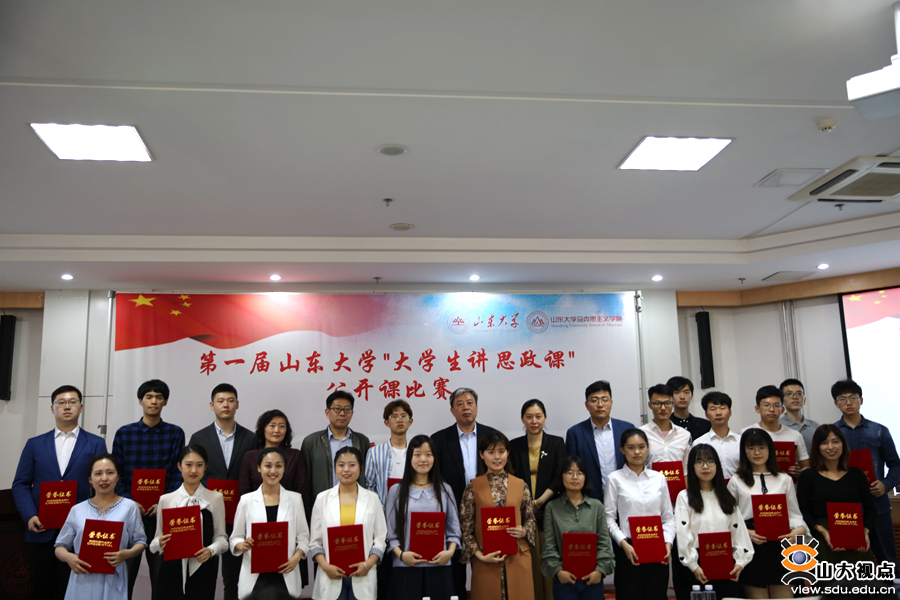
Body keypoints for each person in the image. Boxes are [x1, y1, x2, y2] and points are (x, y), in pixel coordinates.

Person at [12, 385, 107, 600]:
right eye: (61, 402)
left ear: (80, 407)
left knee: (74, 590)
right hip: (41, 528)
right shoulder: (34, 444)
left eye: (72, 402)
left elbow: (103, 485)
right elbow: (20, 484)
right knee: (40, 590)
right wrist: (29, 515)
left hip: (79, 529)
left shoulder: (96, 443)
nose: (67, 406)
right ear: (52, 408)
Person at [112, 379, 185, 600]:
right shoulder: (124, 433)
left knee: (162, 579)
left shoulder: (175, 433)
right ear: (140, 401)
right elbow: (117, 473)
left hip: (161, 515)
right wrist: (129, 500)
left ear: (165, 402)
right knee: (123, 577)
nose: (154, 401)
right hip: (129, 514)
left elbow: (177, 473)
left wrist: (162, 502)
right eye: (149, 397)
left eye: (159, 397)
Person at [189, 383, 257, 600]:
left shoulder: (250, 438)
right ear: (212, 405)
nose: (225, 405)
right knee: (204, 571)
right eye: (220, 401)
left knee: (233, 575)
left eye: (230, 400)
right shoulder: (199, 438)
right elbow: (192, 475)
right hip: (207, 512)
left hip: (238, 514)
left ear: (237, 404)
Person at [430, 386, 499, 598]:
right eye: (459, 404)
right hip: (452, 512)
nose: (465, 407)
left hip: (487, 511)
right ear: (452, 411)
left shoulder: (492, 436)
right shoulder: (439, 439)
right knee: (455, 571)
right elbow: (434, 478)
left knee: (488, 567)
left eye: (469, 403)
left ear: (477, 407)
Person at [796, 424, 879, 593]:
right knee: (829, 591)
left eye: (835, 441)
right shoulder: (808, 476)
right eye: (824, 442)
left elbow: (871, 509)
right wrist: (823, 531)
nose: (830, 447)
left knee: (862, 592)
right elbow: (802, 510)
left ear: (843, 444)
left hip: (856, 540)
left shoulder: (857, 475)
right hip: (823, 541)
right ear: (817, 447)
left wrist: (865, 531)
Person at [53, 453, 146, 600]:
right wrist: (69, 558)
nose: (104, 478)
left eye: (110, 472)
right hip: (82, 579)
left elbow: (140, 542)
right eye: (98, 473)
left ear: (118, 476)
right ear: (90, 479)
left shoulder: (129, 507)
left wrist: (126, 554)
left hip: (114, 579)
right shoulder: (77, 510)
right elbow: (60, 546)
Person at [726, 429, 805, 599]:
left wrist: (798, 531)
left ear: (770, 450)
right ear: (744, 451)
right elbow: (728, 519)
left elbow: (794, 514)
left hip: (781, 545)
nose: (757, 453)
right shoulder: (736, 481)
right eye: (751, 448)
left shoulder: (784, 479)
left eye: (761, 447)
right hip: (751, 546)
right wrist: (746, 533)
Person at [460, 431, 536, 600]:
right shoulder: (472, 488)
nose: (497, 457)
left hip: (518, 558)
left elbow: (530, 519)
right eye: (491, 452)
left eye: (501, 451)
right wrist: (479, 555)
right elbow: (465, 529)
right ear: (481, 454)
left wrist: (524, 531)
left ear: (508, 453)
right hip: (485, 561)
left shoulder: (521, 485)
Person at [832, 379, 900, 570]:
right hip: (845, 506)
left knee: (887, 559)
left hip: (877, 505)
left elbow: (896, 465)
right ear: (836, 404)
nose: (848, 402)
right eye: (842, 399)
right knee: (849, 562)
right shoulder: (832, 434)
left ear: (861, 400)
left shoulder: (879, 431)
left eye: (853, 397)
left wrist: (886, 484)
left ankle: (891, 588)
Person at [384, 434, 461, 600]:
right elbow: (390, 532)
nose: (423, 459)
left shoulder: (445, 489)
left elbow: (454, 529)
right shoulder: (396, 491)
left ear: (434, 458)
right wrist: (402, 555)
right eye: (417, 454)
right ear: (409, 458)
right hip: (405, 566)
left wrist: (449, 552)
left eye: (428, 454)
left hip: (439, 565)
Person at [675, 444, 753, 600]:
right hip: (696, 566)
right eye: (699, 462)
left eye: (710, 461)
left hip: (726, 564)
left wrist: (740, 562)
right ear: (691, 466)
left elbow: (739, 533)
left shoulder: (727, 497)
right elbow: (683, 534)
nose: (705, 466)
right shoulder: (684, 497)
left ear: (717, 465)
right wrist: (694, 566)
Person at [149, 445, 228, 599]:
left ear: (205, 467)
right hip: (171, 570)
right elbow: (154, 544)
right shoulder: (166, 500)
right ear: (179, 466)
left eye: (199, 465)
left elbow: (222, 539)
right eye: (188, 465)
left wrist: (210, 550)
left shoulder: (216, 498)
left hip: (203, 569)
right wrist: (160, 542)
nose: (193, 470)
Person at [604, 429, 674, 600]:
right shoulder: (614, 478)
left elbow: (668, 517)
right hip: (628, 548)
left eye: (641, 447)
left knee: (656, 595)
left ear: (648, 448)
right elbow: (609, 518)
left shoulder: (659, 478)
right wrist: (624, 544)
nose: (637, 452)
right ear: (622, 450)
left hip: (657, 547)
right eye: (631, 447)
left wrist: (668, 543)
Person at [308, 446, 386, 600]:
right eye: (341, 465)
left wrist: (368, 565)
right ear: (335, 467)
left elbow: (380, 538)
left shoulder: (372, 498)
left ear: (360, 468)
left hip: (363, 573)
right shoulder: (322, 498)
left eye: (352, 465)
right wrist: (325, 567)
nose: (346, 469)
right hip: (331, 574)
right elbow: (315, 541)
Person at [231, 447, 310, 598]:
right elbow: (235, 537)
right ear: (259, 468)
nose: (273, 471)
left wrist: (296, 558)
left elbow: (304, 537)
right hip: (255, 576)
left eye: (278, 466)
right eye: (268, 465)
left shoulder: (295, 499)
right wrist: (242, 545)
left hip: (285, 572)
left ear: (284, 469)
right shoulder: (247, 500)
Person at [509, 399, 566, 600]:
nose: (534, 421)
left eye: (538, 416)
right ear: (522, 419)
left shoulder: (556, 443)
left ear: (545, 418)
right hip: (523, 514)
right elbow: (512, 478)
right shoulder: (514, 445)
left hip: (549, 510)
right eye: (529, 417)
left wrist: (540, 501)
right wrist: (527, 505)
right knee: (527, 565)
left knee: (550, 562)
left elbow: (559, 477)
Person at [542, 456, 615, 600]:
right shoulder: (552, 507)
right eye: (569, 472)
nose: (575, 477)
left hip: (593, 579)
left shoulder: (596, 506)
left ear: (585, 477)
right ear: (561, 476)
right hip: (564, 581)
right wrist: (558, 571)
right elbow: (549, 546)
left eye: (580, 473)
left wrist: (599, 571)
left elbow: (604, 544)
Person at [366, 399, 414, 600]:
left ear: (411, 421)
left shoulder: (418, 452)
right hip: (383, 522)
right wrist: (380, 508)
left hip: (413, 521)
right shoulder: (374, 452)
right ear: (387, 422)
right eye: (394, 416)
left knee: (410, 573)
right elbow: (369, 487)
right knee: (385, 574)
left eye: (403, 416)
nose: (399, 420)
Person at [301, 391, 371, 515]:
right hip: (323, 508)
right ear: (327, 412)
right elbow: (305, 482)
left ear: (352, 413)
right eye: (337, 409)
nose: (342, 413)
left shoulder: (361, 441)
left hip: (357, 506)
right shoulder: (311, 442)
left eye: (347, 409)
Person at [565, 380, 635, 499]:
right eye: (594, 400)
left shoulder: (627, 429)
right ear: (587, 405)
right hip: (589, 499)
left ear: (611, 403)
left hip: (625, 495)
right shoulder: (575, 433)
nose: (600, 404)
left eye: (604, 400)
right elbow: (571, 469)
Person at [741, 385, 809, 478]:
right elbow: (740, 463)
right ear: (757, 409)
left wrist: (800, 472)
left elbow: (806, 467)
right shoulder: (745, 433)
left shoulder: (795, 435)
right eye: (766, 405)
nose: (771, 409)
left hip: (786, 484)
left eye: (776, 405)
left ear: (782, 410)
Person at [239, 410, 306, 496]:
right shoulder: (250, 457)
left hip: (289, 503)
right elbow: (244, 491)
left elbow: (301, 489)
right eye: (272, 426)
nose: (277, 430)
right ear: (263, 429)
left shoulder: (295, 456)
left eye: (281, 426)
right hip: (255, 504)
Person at [640, 384, 691, 470]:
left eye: (667, 403)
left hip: (677, 479)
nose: (663, 408)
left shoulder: (684, 435)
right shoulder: (641, 434)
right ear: (650, 405)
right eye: (657, 403)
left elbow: (686, 469)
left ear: (673, 404)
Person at [692, 392, 740, 480]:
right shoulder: (699, 443)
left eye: (722, 408)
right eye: (713, 409)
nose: (718, 413)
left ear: (730, 412)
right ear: (706, 414)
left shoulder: (741, 441)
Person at [778, 378, 820, 455]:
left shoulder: (816, 427)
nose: (795, 397)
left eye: (799, 393)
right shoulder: (776, 426)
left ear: (804, 399)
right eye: (789, 393)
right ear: (781, 400)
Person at [666, 376, 710, 441]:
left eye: (686, 392)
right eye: (677, 393)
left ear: (691, 395)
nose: (682, 397)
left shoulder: (705, 425)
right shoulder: (664, 425)